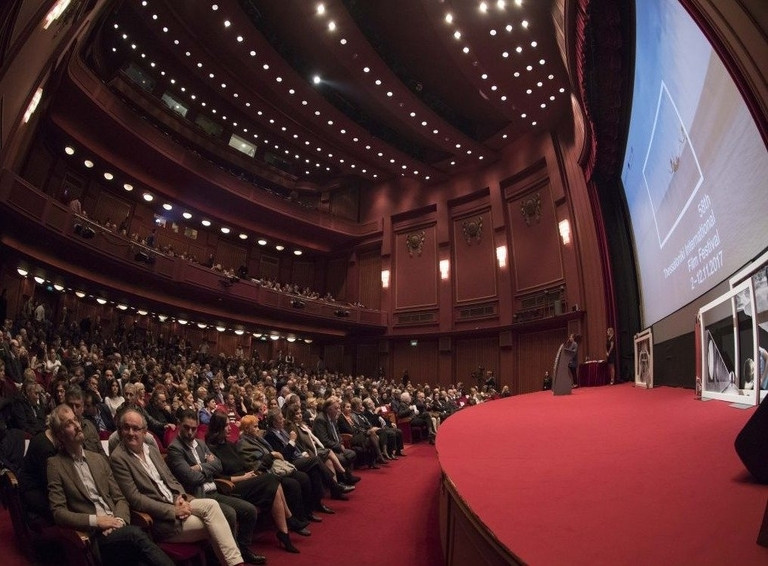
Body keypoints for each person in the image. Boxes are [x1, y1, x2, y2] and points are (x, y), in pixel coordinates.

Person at [110, 408, 255, 566]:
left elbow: (171, 478)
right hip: (162, 519)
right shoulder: (119, 458)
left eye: (136, 428)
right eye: (126, 427)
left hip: (176, 501)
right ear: (120, 429)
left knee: (212, 506)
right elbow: (136, 499)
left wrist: (182, 498)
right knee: (219, 522)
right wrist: (173, 510)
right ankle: (234, 563)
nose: (131, 433)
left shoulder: (151, 449)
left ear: (144, 432)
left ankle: (234, 563)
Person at [46, 404, 175, 566]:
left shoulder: (98, 459)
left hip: (118, 527)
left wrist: (119, 521)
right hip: (95, 536)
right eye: (69, 424)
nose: (77, 425)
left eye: (76, 420)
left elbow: (120, 498)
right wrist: (97, 521)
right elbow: (58, 512)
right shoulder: (55, 465)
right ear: (60, 435)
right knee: (137, 536)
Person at [165, 410, 266, 565]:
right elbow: (190, 479)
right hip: (199, 496)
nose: (190, 432)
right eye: (186, 428)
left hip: (215, 491)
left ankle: (243, 550)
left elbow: (218, 465)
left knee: (249, 510)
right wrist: (208, 465)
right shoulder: (175, 449)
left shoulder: (201, 443)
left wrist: (199, 467)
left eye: (194, 428)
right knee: (230, 514)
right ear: (179, 425)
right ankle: (224, 559)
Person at [205, 412, 305, 552]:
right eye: (226, 425)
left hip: (245, 479)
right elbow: (216, 477)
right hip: (232, 486)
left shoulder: (229, 445)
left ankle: (284, 533)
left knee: (274, 483)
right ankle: (289, 519)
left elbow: (243, 465)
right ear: (218, 427)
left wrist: (251, 474)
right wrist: (243, 477)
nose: (230, 428)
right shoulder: (210, 449)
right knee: (272, 479)